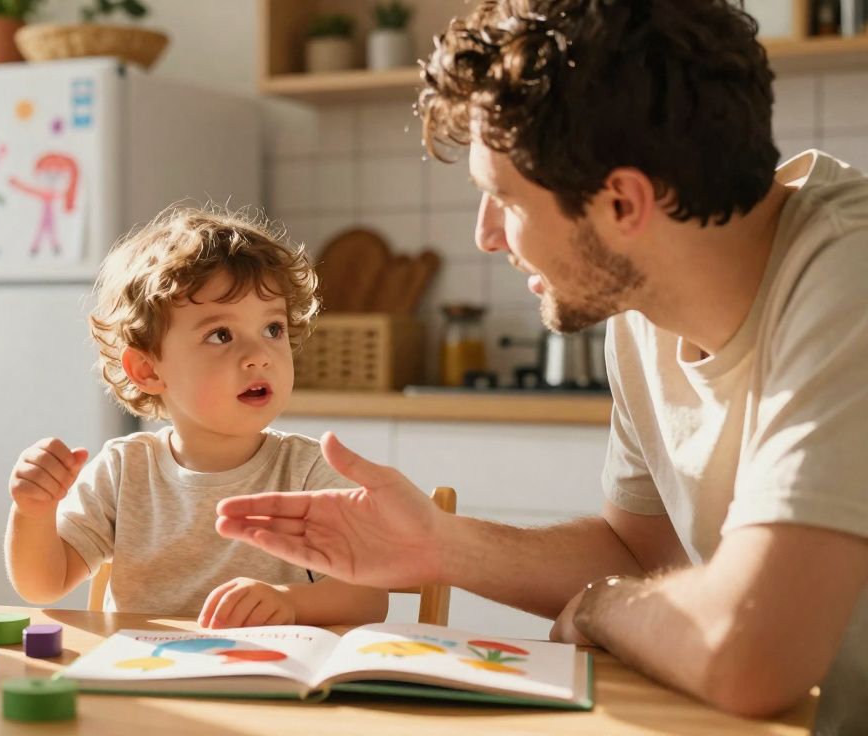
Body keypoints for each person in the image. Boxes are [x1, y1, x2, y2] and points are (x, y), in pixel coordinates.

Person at [214, 1, 867, 732]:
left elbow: (752, 656)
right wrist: (437, 545)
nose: (486, 236)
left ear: (623, 203)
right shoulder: (643, 304)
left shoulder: (850, 280)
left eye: (503, 199)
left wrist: (601, 606)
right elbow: (639, 554)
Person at [3, 207, 388, 628]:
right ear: (148, 369)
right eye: (221, 335)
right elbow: (43, 585)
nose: (259, 355)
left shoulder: (310, 471)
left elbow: (367, 597)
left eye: (273, 329)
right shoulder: (123, 470)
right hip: (142, 667)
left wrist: (290, 602)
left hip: (265, 666)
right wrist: (34, 511)